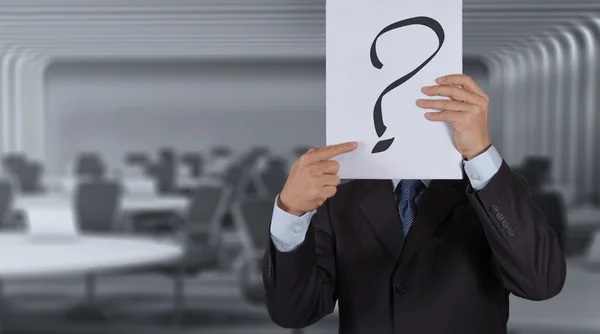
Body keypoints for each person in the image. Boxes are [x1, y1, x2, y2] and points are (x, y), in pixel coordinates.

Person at [262, 74, 566, 333]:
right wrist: (291, 213)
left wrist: (481, 154)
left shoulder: (490, 190)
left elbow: (541, 283)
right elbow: (294, 312)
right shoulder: (337, 201)